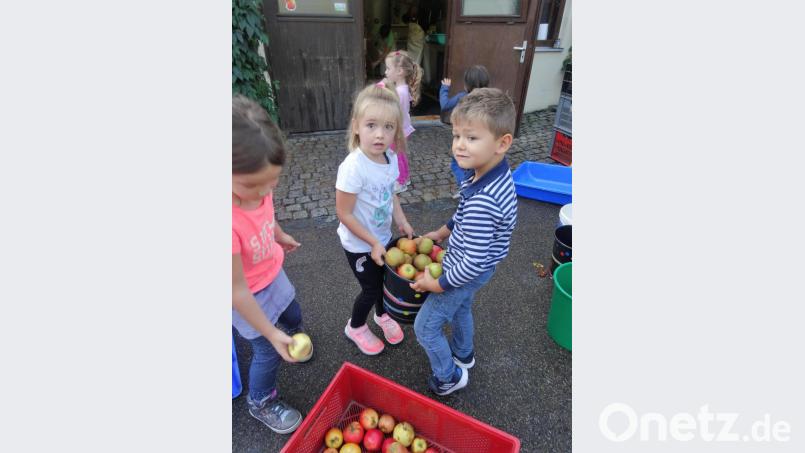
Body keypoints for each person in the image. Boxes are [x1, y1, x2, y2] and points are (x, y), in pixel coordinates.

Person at [410, 88, 519, 396]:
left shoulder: (485, 200)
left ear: (502, 143)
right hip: (481, 267)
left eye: (471, 138)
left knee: (426, 327)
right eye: (457, 136)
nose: (459, 145)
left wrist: (439, 284)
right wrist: (442, 232)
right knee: (462, 308)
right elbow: (464, 213)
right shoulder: (489, 174)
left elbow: (471, 261)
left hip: (465, 272)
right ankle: (464, 352)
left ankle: (449, 376)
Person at [232, 95, 311, 433]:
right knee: (266, 351)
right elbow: (236, 292)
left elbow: (267, 213)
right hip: (246, 296)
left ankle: (288, 334)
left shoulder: (258, 185)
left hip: (270, 273)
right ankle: (260, 401)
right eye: (253, 186)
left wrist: (278, 234)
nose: (263, 192)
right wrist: (269, 331)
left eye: (272, 183)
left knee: (292, 312)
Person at [335, 84, 415, 355]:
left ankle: (383, 316)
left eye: (388, 127)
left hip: (380, 238)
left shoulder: (390, 158)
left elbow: (391, 194)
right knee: (370, 289)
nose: (380, 134)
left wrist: (401, 221)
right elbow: (343, 213)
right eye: (371, 125)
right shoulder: (353, 168)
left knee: (385, 282)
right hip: (359, 244)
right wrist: (371, 242)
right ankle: (355, 326)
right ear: (356, 126)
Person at [440, 65, 491, 197]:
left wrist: (444, 88)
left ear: (466, 84)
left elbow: (445, 105)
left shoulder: (462, 97)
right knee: (475, 164)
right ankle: (477, 185)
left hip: (464, 139)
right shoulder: (488, 99)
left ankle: (467, 188)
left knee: (456, 164)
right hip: (479, 140)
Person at [381, 50, 423, 193]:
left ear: (399, 71)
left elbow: (395, 112)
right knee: (400, 155)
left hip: (399, 130)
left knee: (397, 156)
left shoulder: (400, 92)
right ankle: (406, 177)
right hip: (402, 129)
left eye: (388, 68)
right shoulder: (400, 89)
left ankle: (401, 182)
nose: (385, 72)